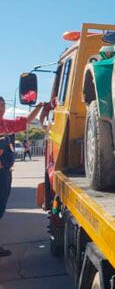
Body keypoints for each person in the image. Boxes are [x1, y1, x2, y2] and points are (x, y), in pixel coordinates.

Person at [0, 96, 44, 257]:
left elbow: (26, 121)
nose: (1, 108)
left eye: (3, 105)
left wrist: (38, 107)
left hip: (5, 173)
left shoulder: (6, 124)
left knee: (1, 208)